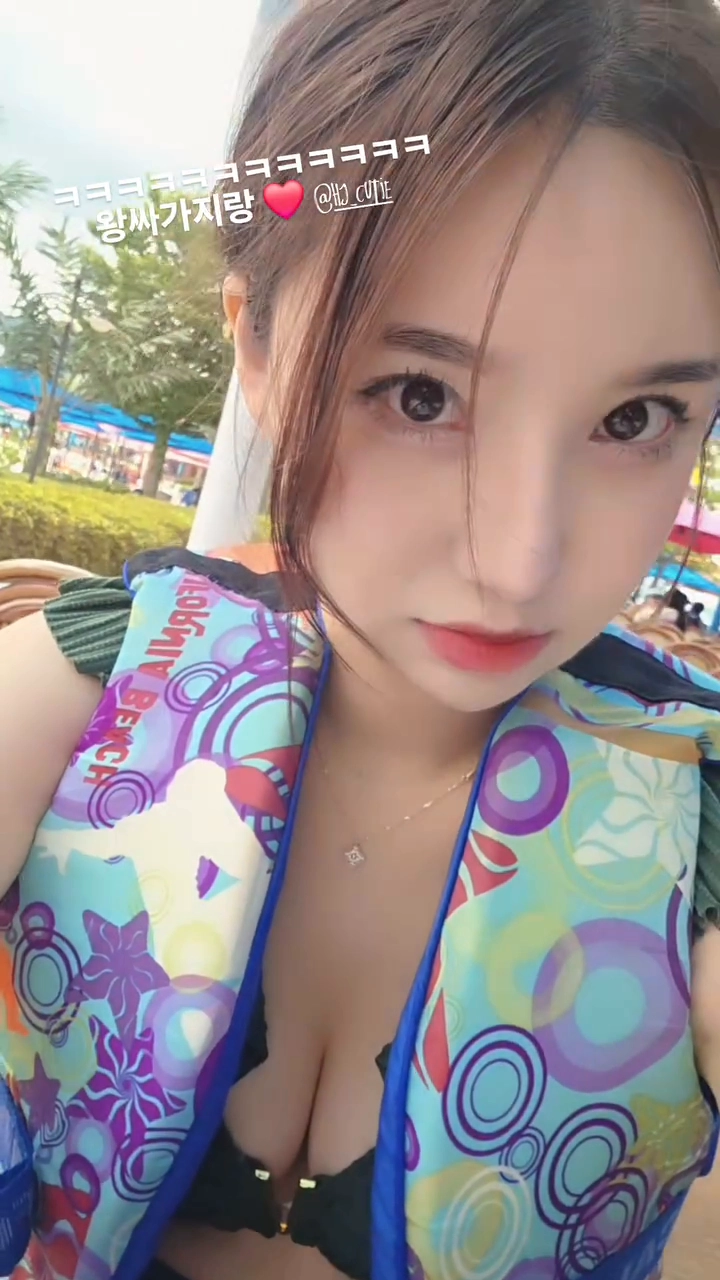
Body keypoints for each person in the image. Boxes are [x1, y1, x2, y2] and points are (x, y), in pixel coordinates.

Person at [2, 2, 720, 1279]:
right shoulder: (96, 683)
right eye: (422, 394)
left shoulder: (689, 827)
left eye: (637, 418)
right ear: (258, 348)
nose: (521, 560)